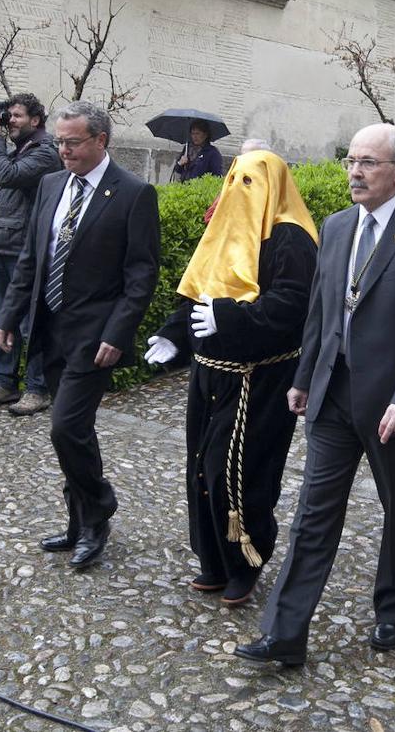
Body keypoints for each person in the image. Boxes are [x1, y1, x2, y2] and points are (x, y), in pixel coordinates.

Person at [233, 123, 395, 667]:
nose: (356, 172)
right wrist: (304, 377)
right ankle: (285, 633)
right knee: (313, 513)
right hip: (333, 397)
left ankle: (392, 606)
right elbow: (321, 311)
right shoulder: (335, 228)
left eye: (369, 163)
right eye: (351, 161)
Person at [145, 150, 318, 606]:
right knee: (201, 466)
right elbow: (200, 294)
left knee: (239, 473)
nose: (241, 189)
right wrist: (173, 336)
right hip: (210, 376)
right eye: (235, 179)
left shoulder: (291, 239)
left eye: (252, 181)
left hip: (259, 379)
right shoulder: (224, 229)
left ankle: (247, 561)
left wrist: (230, 317)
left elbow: (293, 306)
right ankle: (213, 559)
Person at [0, 101, 160, 568]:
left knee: (65, 425)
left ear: (100, 141)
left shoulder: (133, 193)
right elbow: (33, 257)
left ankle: (97, 511)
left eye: (72, 142)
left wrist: (119, 332)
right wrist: (9, 317)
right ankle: (78, 519)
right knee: (75, 432)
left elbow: (141, 275)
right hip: (49, 327)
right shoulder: (50, 185)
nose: (62, 150)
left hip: (94, 336)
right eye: (58, 142)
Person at [0, 93, 62, 415]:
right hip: (3, 243)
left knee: (30, 322)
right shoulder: (20, 148)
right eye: (7, 115)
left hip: (27, 248)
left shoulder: (46, 152)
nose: (10, 121)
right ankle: (4, 382)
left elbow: (9, 175)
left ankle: (38, 388)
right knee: (3, 318)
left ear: (35, 120)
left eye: (16, 116)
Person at [203, 138, 272, 225]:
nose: (243, 161)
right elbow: (210, 217)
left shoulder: (273, 186)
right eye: (242, 156)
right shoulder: (234, 183)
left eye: (250, 157)